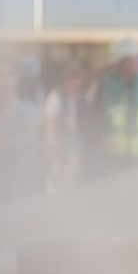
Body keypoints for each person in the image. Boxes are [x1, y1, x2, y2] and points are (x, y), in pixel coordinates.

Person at [96, 38, 138, 176]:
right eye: (132, 59)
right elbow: (96, 116)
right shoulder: (108, 84)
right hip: (115, 157)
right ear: (121, 62)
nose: (136, 63)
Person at [44, 59, 94, 192]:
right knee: (58, 182)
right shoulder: (56, 96)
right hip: (60, 148)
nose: (79, 82)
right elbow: (50, 125)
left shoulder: (82, 99)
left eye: (81, 78)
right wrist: (53, 150)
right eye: (76, 78)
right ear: (69, 79)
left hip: (76, 147)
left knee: (74, 181)